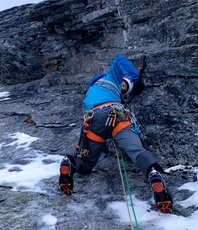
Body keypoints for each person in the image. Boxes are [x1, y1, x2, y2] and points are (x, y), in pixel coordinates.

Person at [59, 55, 173, 213]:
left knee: (86, 164)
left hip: (95, 120)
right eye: (124, 84)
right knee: (138, 151)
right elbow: (119, 60)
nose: (124, 88)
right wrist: (135, 77)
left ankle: (70, 163)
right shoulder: (111, 77)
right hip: (118, 116)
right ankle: (154, 173)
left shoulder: (92, 92)